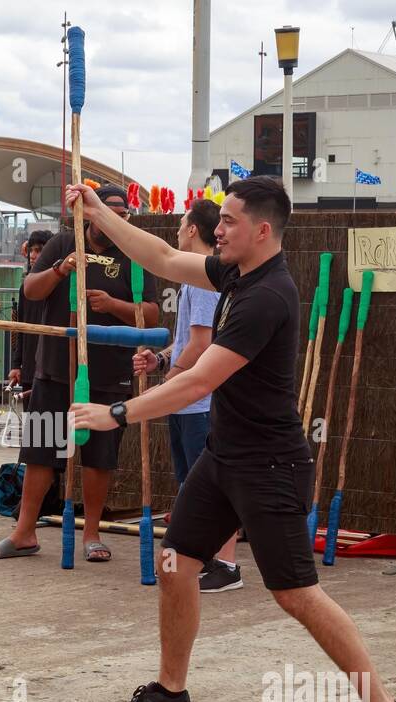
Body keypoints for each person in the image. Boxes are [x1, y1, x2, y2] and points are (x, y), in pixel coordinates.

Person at [67, 175, 396, 702]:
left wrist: (116, 413)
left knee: (296, 593)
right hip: (226, 456)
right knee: (177, 564)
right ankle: (170, 695)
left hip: (270, 465)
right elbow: (161, 255)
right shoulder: (235, 273)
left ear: (260, 231)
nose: (218, 229)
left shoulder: (267, 297)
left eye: (228, 222)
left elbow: (199, 380)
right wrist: (99, 213)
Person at [0, 184, 158, 561]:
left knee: (99, 456)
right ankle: (24, 532)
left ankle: (91, 534)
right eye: (104, 210)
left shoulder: (133, 252)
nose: (112, 218)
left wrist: (114, 305)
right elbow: (30, 290)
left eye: (120, 213)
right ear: (90, 212)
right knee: (42, 451)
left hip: (109, 373)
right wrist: (61, 270)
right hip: (55, 369)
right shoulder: (63, 243)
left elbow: (153, 314)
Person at [133, 200, 242, 594]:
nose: (177, 229)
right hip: (187, 400)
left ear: (193, 229)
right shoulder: (191, 280)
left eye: (181, 223)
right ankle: (204, 557)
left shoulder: (204, 281)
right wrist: (161, 361)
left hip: (199, 403)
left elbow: (202, 344)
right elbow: (184, 344)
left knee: (210, 485)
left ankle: (227, 564)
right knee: (190, 484)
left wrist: (171, 383)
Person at [8, 229, 53, 410]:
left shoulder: (59, 286)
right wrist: (16, 364)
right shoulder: (25, 288)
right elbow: (20, 328)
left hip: (51, 368)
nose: (33, 255)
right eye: (31, 250)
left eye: (40, 250)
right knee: (31, 427)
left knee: (52, 426)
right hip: (29, 366)